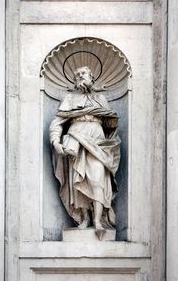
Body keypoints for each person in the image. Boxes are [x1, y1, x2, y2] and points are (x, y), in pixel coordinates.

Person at [49, 66, 120, 231]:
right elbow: (57, 123)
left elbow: (110, 124)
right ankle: (85, 219)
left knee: (97, 180)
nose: (81, 76)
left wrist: (110, 118)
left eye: (84, 74)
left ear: (91, 77)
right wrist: (55, 142)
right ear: (74, 81)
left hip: (97, 142)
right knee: (78, 180)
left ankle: (98, 221)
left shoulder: (100, 98)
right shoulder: (70, 99)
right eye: (77, 75)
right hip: (76, 139)